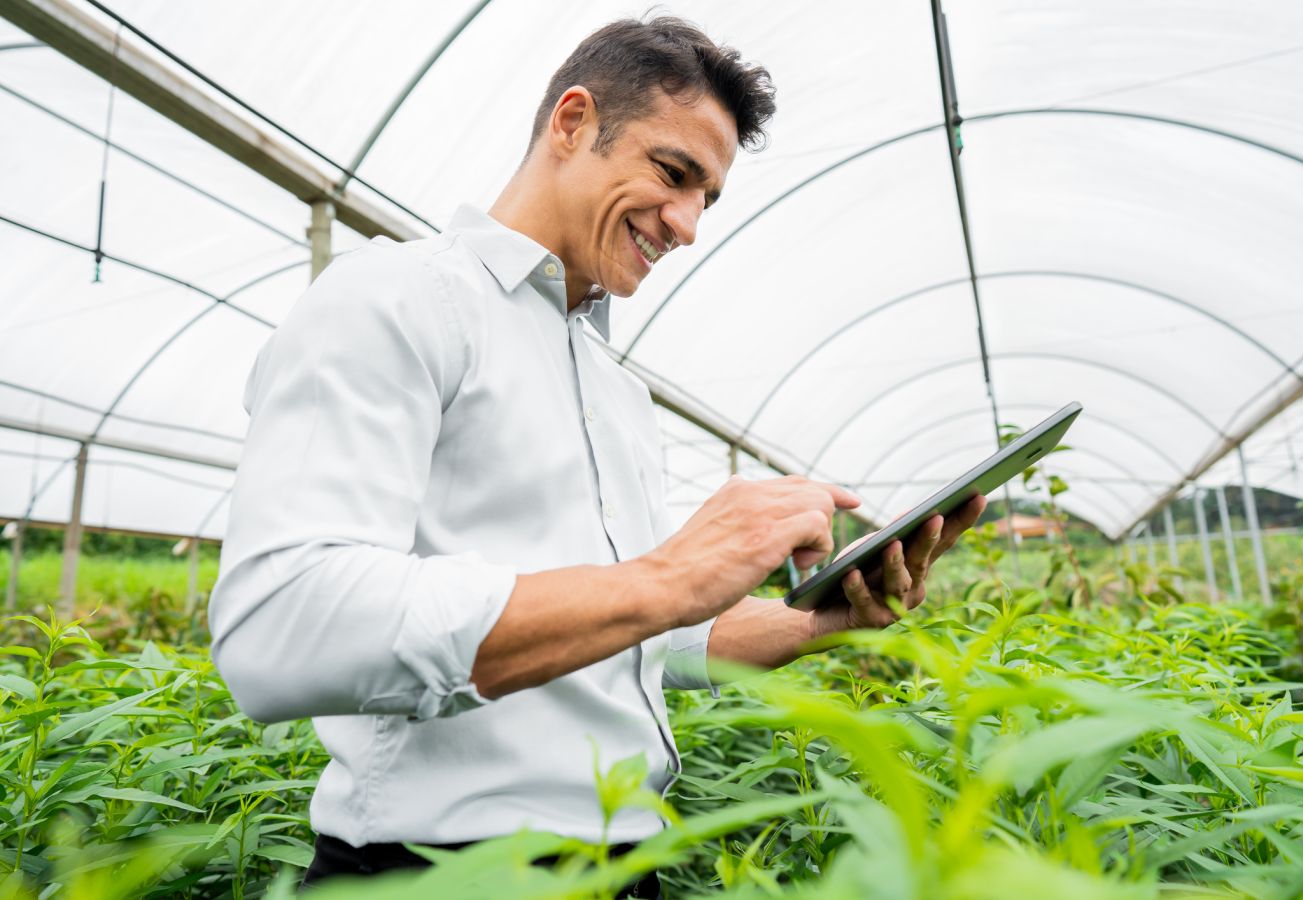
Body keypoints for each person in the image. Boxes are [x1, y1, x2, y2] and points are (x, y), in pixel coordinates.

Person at [207, 15, 985, 897]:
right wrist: (672, 575)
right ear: (572, 123)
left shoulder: (614, 389)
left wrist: (809, 622)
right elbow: (282, 622)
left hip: (628, 868)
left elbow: (634, 628)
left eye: (709, 198)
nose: (688, 225)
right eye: (673, 173)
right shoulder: (397, 300)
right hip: (437, 874)